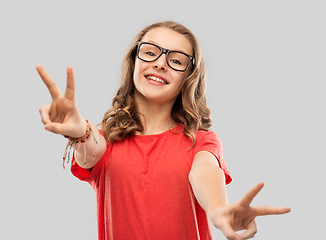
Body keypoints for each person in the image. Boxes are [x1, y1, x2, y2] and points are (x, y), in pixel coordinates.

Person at [37, 21, 290, 240]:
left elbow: (205, 172)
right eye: (150, 52)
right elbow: (90, 147)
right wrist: (78, 129)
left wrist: (218, 210)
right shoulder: (106, 138)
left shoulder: (200, 141)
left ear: (188, 77)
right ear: (134, 61)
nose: (160, 64)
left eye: (176, 60)